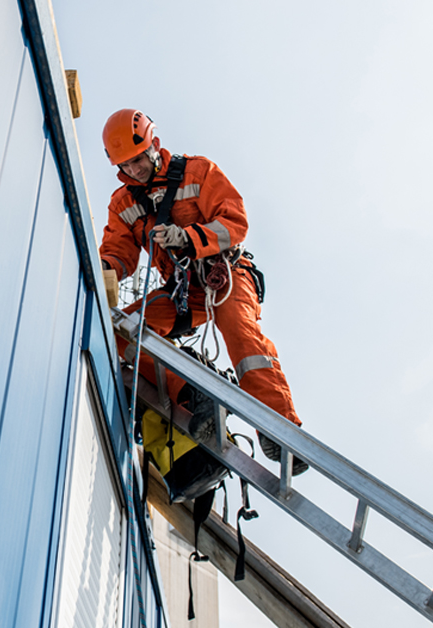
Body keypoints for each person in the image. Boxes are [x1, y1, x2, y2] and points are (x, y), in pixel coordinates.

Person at [98, 108, 307, 474]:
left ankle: (280, 428)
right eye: (125, 166)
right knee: (117, 331)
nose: (133, 170)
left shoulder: (197, 173)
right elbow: (118, 253)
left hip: (223, 275)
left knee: (242, 338)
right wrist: (102, 269)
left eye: (137, 160)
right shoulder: (123, 205)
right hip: (182, 292)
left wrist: (189, 238)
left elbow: (234, 222)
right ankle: (192, 395)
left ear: (154, 145)